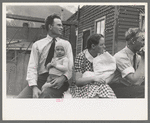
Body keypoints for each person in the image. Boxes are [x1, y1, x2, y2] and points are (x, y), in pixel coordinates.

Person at [17, 14, 73, 98]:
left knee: (46, 95)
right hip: (41, 79)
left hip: (58, 78)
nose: (62, 27)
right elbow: (32, 66)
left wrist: (63, 78)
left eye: (62, 25)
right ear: (50, 26)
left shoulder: (66, 44)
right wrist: (34, 87)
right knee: (20, 99)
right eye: (59, 25)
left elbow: (70, 65)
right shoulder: (37, 45)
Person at [70, 34, 116, 98]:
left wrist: (103, 81)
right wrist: (94, 78)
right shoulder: (81, 57)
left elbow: (111, 71)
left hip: (100, 85)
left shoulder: (103, 55)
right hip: (83, 88)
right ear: (93, 46)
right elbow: (78, 81)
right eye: (101, 45)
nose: (104, 46)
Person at [109, 28, 145, 98]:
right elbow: (134, 81)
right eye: (142, 40)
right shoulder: (121, 56)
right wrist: (144, 59)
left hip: (129, 87)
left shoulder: (137, 57)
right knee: (145, 90)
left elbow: (140, 79)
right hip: (116, 89)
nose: (144, 44)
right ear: (133, 41)